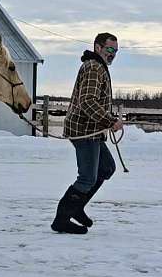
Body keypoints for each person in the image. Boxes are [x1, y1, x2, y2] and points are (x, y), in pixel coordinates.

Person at [51, 33, 123, 234]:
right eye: (109, 50)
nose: (112, 54)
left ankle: (77, 207)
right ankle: (62, 219)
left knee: (106, 167)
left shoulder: (99, 67)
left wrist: (108, 120)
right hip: (84, 131)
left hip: (93, 130)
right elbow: (88, 101)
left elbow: (93, 101)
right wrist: (109, 121)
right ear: (98, 47)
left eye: (115, 51)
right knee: (87, 178)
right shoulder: (93, 67)